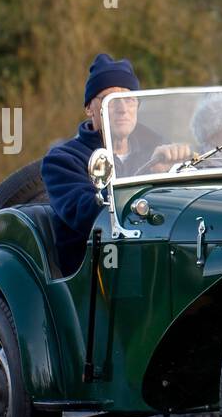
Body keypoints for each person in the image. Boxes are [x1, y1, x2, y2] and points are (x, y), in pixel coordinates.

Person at [41, 54, 191, 273]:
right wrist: (149, 174)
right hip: (98, 269)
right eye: (108, 100)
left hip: (154, 256)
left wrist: (176, 171)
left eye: (129, 100)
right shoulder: (62, 160)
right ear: (89, 109)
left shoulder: (156, 147)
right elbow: (86, 216)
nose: (122, 108)